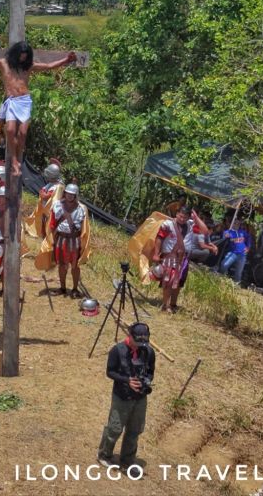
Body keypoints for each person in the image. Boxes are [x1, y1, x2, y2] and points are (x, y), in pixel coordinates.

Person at [0, 43, 77, 177]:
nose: (22, 59)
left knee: (23, 133)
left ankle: (19, 160)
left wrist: (66, 60)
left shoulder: (28, 67)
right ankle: (13, 161)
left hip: (24, 102)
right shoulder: (3, 63)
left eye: (25, 57)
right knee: (10, 130)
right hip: (12, 102)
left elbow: (48, 66)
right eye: (21, 56)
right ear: (15, 54)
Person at [97, 322, 155, 474]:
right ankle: (104, 455)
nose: (140, 346)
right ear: (130, 336)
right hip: (122, 396)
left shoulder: (148, 351)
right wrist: (127, 380)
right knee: (115, 427)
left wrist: (146, 381)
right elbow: (110, 372)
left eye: (143, 342)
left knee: (135, 430)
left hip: (140, 398)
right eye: (138, 342)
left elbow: (150, 371)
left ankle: (128, 460)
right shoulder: (117, 350)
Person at [51, 184, 87, 299]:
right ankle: (62, 288)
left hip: (75, 241)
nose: (70, 196)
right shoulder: (57, 205)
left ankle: (75, 289)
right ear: (64, 193)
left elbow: (84, 227)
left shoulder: (81, 208)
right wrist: (53, 239)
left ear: (75, 195)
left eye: (72, 194)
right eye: (68, 193)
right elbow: (52, 224)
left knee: (75, 266)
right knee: (62, 265)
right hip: (61, 240)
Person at [153, 205, 189, 313]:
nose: (182, 219)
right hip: (168, 257)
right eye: (180, 216)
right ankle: (165, 305)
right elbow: (159, 238)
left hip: (181, 259)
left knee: (176, 282)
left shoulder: (189, 225)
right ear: (177, 214)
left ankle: (172, 304)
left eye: (185, 217)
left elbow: (204, 230)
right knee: (168, 281)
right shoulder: (167, 224)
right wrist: (156, 254)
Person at [218, 219, 252, 285]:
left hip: (242, 254)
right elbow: (223, 238)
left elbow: (249, 237)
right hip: (233, 253)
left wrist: (248, 247)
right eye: (235, 223)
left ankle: (236, 286)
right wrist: (226, 236)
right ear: (232, 224)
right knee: (224, 265)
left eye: (238, 223)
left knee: (239, 272)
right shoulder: (228, 232)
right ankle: (221, 279)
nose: (237, 225)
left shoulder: (242, 232)